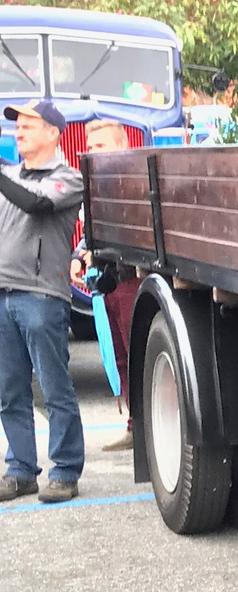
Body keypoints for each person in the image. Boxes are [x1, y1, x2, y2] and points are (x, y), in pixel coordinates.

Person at [0, 100, 86, 503]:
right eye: (17, 127)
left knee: (54, 389)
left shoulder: (66, 178)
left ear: (53, 132)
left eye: (29, 125)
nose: (19, 132)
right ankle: (20, 470)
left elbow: (36, 203)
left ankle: (65, 470)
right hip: (3, 293)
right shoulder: (11, 175)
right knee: (9, 390)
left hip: (41, 296)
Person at [71, 118, 139, 451]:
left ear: (122, 145)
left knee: (139, 357)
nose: (92, 152)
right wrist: (79, 254)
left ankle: (147, 429)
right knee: (121, 360)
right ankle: (134, 426)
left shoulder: (136, 182)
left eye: (101, 146)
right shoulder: (94, 185)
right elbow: (89, 233)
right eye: (91, 146)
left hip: (132, 280)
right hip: (107, 285)